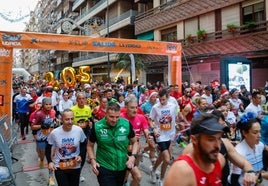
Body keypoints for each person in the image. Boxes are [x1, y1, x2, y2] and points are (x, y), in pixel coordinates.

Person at [164, 113, 256, 186]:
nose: (217, 146)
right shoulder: (182, 171)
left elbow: (244, 163)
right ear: (194, 140)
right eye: (211, 139)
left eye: (219, 138)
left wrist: (250, 171)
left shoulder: (219, 160)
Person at [87, 103, 139, 186]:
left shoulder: (126, 124)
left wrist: (133, 156)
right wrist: (93, 160)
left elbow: (135, 142)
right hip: (104, 167)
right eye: (111, 117)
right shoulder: (97, 126)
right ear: (106, 114)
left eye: (117, 117)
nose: (114, 120)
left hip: (122, 167)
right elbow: (90, 145)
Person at [45, 109, 87, 186]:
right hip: (60, 166)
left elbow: (84, 143)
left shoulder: (78, 130)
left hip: (75, 165)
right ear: (61, 120)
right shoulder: (54, 133)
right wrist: (50, 162)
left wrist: (81, 155)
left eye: (72, 119)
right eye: (67, 119)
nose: (70, 122)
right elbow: (48, 147)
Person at [120, 95, 154, 186]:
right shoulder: (120, 118)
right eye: (132, 108)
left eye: (136, 107)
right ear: (126, 107)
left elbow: (146, 130)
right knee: (133, 176)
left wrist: (149, 136)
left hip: (134, 152)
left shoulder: (141, 117)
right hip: (122, 152)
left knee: (135, 177)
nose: (135, 110)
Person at [229, 112, 268, 185]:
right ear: (244, 133)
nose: (259, 135)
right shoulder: (239, 152)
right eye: (255, 132)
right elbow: (234, 180)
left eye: (260, 131)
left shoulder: (260, 145)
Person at [149, 89, 178, 185]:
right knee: (167, 158)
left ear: (168, 97)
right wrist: (154, 129)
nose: (161, 102)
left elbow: (175, 118)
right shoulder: (155, 107)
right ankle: (162, 179)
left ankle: (156, 173)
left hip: (170, 135)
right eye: (160, 99)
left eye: (164, 100)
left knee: (162, 157)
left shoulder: (173, 106)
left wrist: (176, 128)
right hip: (160, 135)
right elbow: (150, 120)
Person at [70, 92, 93, 182]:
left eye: (83, 98)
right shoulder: (72, 109)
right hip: (74, 135)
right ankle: (72, 172)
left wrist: (90, 124)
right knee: (73, 154)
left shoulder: (88, 108)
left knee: (82, 155)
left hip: (85, 134)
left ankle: (78, 173)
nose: (81, 100)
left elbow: (90, 119)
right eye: (79, 99)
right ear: (76, 100)